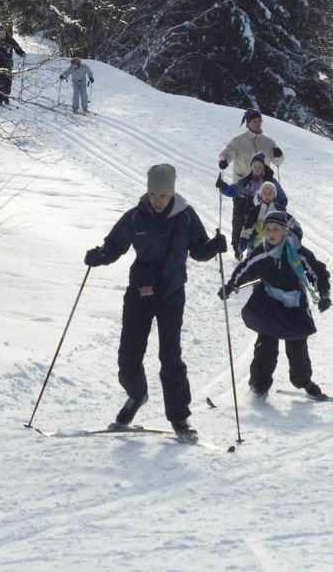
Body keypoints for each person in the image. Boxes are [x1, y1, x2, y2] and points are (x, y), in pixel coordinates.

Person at [84, 162, 227, 443]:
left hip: (172, 294)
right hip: (139, 292)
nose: (157, 200)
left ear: (172, 193)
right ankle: (137, 395)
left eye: (162, 195)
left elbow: (198, 250)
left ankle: (180, 419)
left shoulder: (185, 218)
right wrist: (99, 255)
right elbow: (115, 246)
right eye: (153, 194)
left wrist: (214, 247)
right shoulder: (135, 217)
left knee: (170, 358)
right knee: (128, 358)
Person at [220, 209, 331, 400]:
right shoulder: (262, 252)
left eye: (276, 229)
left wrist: (324, 294)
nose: (271, 233)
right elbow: (245, 268)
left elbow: (317, 271)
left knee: (298, 349)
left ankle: (304, 381)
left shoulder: (297, 252)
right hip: (269, 304)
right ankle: (258, 386)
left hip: (293, 305)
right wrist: (231, 285)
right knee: (265, 348)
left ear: (285, 231)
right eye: (268, 229)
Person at [218, 112, 284, 256]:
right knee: (239, 218)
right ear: (247, 123)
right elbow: (226, 154)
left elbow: (277, 161)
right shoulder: (238, 141)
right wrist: (223, 160)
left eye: (259, 121)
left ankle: (257, 247)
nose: (257, 123)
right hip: (242, 186)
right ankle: (237, 246)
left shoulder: (268, 142)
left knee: (259, 220)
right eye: (254, 121)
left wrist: (279, 154)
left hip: (263, 191)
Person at [216, 153, 288, 254]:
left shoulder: (270, 181)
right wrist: (223, 186)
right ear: (251, 167)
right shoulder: (246, 181)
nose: (257, 168)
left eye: (259, 166)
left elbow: (282, 197)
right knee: (245, 229)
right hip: (251, 212)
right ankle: (245, 251)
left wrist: (280, 206)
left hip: (268, 213)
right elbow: (234, 190)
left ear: (263, 167)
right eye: (255, 166)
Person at [239, 180, 290, 256]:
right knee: (258, 250)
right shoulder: (255, 210)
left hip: (276, 236)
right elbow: (248, 226)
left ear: (274, 195)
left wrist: (295, 229)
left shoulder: (279, 209)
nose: (267, 196)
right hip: (257, 239)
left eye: (270, 193)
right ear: (261, 195)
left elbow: (287, 222)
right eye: (265, 193)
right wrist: (244, 239)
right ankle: (253, 257)